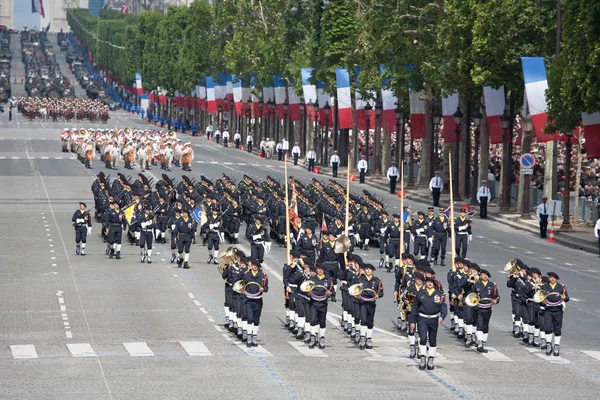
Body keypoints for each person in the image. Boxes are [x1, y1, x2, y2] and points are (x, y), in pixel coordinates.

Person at [410, 275, 447, 370]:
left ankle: (430, 359)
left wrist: (442, 317)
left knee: (432, 340)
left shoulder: (439, 295)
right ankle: (422, 358)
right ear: (425, 283)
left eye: (431, 282)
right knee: (422, 338)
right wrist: (412, 321)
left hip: (434, 320)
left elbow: (444, 307)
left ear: (434, 284)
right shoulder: (420, 293)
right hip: (422, 318)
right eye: (428, 282)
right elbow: (414, 307)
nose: (429, 283)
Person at [471, 269, 500, 353]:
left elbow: (497, 296)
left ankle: (484, 344)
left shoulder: (492, 285)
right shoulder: (476, 285)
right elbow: (472, 296)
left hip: (488, 308)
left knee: (485, 326)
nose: (485, 276)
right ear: (480, 276)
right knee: (479, 325)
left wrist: (496, 301)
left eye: (486, 275)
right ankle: (479, 343)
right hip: (479, 308)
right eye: (483, 274)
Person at [242, 258, 269, 347]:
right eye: (253, 265)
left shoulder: (262, 276)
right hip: (249, 300)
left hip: (258, 300)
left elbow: (266, 288)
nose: (254, 266)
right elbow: (241, 284)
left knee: (256, 320)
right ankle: (249, 338)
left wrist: (263, 289)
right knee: (249, 319)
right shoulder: (246, 275)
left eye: (255, 265)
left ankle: (254, 337)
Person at [355, 263, 383, 349]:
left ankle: (369, 338)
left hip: (371, 303)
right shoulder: (360, 279)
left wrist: (378, 296)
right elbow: (355, 290)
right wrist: (357, 295)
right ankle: (362, 337)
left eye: (369, 269)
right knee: (363, 320)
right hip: (363, 302)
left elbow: (381, 292)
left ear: (372, 271)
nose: (368, 270)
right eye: (366, 269)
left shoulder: (377, 280)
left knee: (370, 321)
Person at [540, 272, 569, 356]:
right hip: (548, 309)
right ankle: (549, 345)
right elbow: (539, 297)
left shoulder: (561, 287)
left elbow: (567, 298)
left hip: (558, 310)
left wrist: (564, 298)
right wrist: (542, 301)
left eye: (553, 278)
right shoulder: (544, 287)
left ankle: (556, 346)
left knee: (557, 329)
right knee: (547, 328)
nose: (552, 279)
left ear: (556, 279)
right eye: (550, 277)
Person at [307, 263, 333, 349]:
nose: (320, 270)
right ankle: (313, 337)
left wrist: (329, 293)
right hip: (314, 303)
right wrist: (309, 293)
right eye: (318, 269)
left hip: (323, 303)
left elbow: (332, 291)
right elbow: (307, 290)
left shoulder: (328, 280)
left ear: (324, 270)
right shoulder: (312, 279)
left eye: (322, 269)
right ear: (316, 270)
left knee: (322, 322)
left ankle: (321, 338)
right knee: (313, 320)